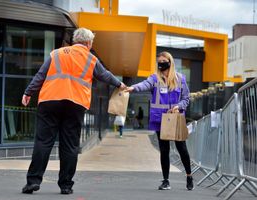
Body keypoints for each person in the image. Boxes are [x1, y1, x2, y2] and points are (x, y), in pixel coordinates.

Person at [21, 27, 126, 195]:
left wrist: (28, 92)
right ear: (88, 42)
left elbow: (40, 75)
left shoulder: (56, 54)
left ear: (75, 40)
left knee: (43, 142)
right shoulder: (91, 59)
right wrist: (120, 84)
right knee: (69, 145)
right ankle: (66, 185)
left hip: (50, 101)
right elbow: (105, 75)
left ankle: (33, 182)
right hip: (75, 104)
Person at [125, 51, 193, 191]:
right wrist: (133, 88)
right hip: (159, 119)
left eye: (164, 61)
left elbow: (186, 98)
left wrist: (178, 106)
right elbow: (144, 84)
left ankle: (189, 175)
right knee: (164, 150)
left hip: (175, 119)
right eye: (159, 61)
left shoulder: (180, 79)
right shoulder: (155, 78)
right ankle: (166, 180)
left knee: (182, 149)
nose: (161, 63)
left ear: (170, 62)